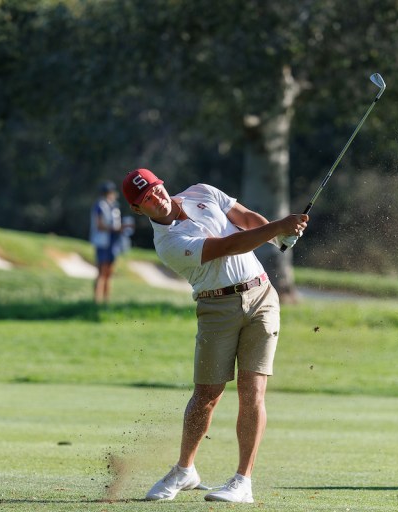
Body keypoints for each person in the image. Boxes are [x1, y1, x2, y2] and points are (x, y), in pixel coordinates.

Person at [120, 168, 308, 503]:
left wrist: (278, 236)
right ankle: (185, 469)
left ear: (162, 184)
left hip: (262, 297)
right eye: (146, 199)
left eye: (155, 189)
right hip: (216, 309)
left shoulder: (202, 192)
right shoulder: (168, 244)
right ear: (138, 210)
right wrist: (278, 227)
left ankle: (242, 481)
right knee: (206, 395)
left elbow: (246, 219)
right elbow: (229, 245)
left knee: (253, 392)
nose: (156, 198)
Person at [90, 180, 123, 303]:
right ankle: (97, 301)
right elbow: (99, 225)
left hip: (113, 242)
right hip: (103, 242)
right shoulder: (100, 206)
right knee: (101, 273)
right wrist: (115, 228)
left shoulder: (114, 206)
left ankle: (106, 301)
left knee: (108, 273)